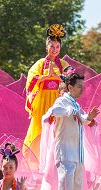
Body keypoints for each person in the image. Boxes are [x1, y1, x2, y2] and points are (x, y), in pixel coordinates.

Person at [42, 73, 99, 190]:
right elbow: (53, 112)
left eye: (83, 87)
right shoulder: (62, 101)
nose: (82, 90)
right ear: (70, 87)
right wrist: (70, 111)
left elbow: (83, 119)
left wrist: (90, 117)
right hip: (65, 153)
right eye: (79, 87)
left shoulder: (75, 103)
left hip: (77, 156)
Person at [24, 24, 69, 159]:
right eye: (52, 46)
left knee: (58, 130)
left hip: (58, 101)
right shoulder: (40, 63)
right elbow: (31, 80)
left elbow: (71, 79)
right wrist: (44, 77)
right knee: (39, 129)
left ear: (60, 48)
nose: (54, 50)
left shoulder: (64, 64)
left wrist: (56, 77)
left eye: (57, 47)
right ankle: (36, 161)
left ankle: (56, 160)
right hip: (42, 101)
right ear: (46, 47)